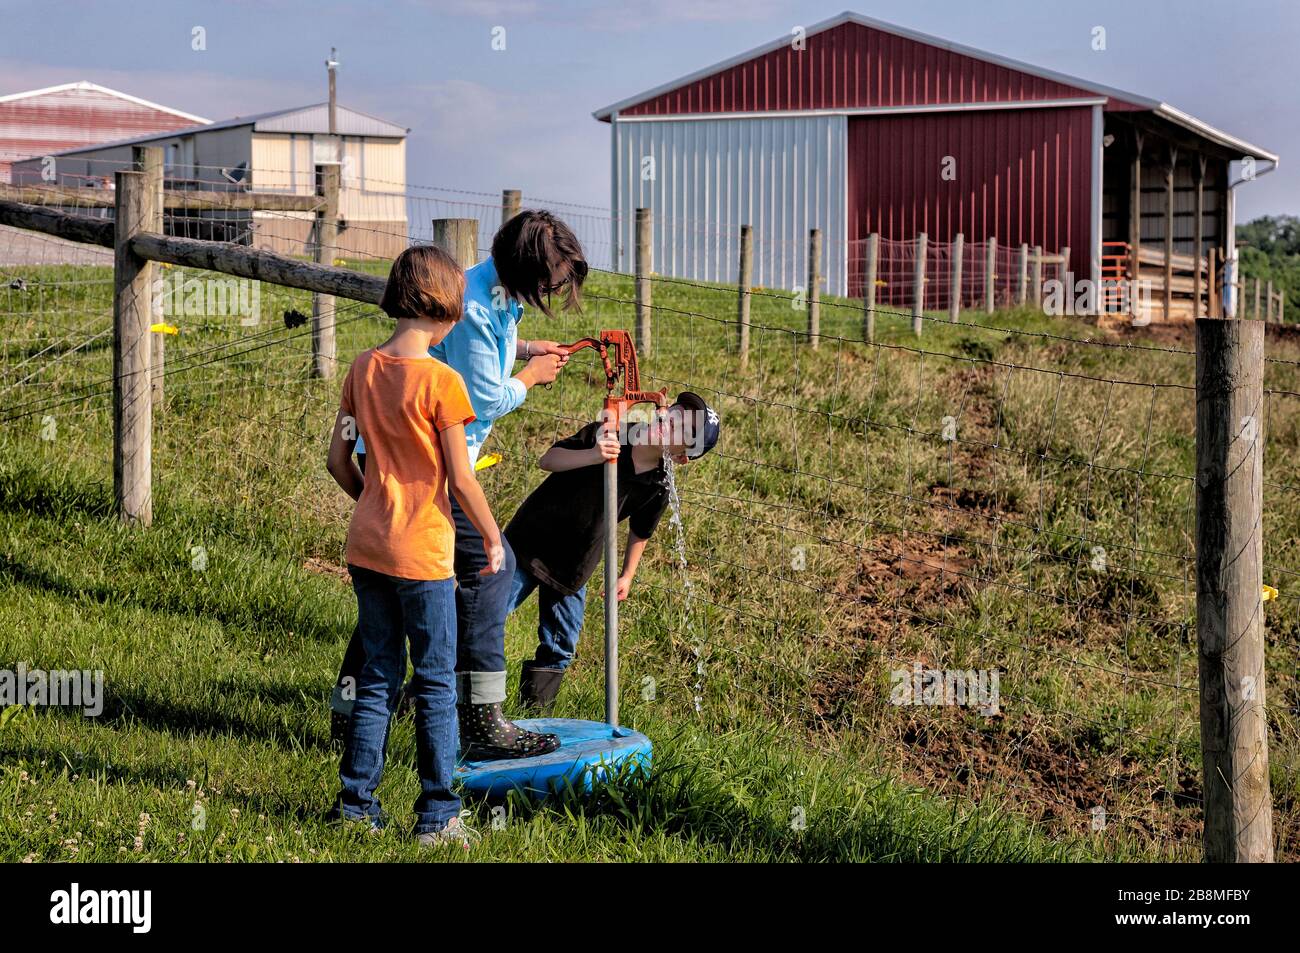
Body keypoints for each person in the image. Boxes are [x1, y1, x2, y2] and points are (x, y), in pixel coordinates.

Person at [332, 210, 588, 760]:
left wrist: (523, 347)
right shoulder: (468, 310)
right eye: (553, 279)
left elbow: (477, 345)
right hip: (434, 469)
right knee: (492, 575)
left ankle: (350, 710)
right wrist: (528, 379)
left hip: (390, 479)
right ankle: (479, 721)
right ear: (525, 268)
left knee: (386, 590)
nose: (555, 289)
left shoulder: (483, 292)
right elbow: (484, 400)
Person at [325, 245, 503, 848]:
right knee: (433, 682)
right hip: (424, 556)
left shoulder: (360, 368)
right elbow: (461, 478)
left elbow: (337, 460)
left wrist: (372, 503)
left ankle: (356, 806)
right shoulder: (443, 383)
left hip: (368, 548)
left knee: (376, 677)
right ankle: (438, 814)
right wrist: (491, 533)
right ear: (445, 309)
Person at [505, 393, 721, 713]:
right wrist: (594, 455)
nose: (672, 422)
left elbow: (642, 529)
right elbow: (548, 459)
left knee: (560, 647)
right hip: (527, 544)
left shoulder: (658, 484)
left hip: (573, 564)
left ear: (681, 457)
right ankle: (439, 698)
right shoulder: (612, 431)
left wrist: (628, 574)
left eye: (684, 430)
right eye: (676, 413)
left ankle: (533, 719)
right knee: (486, 617)